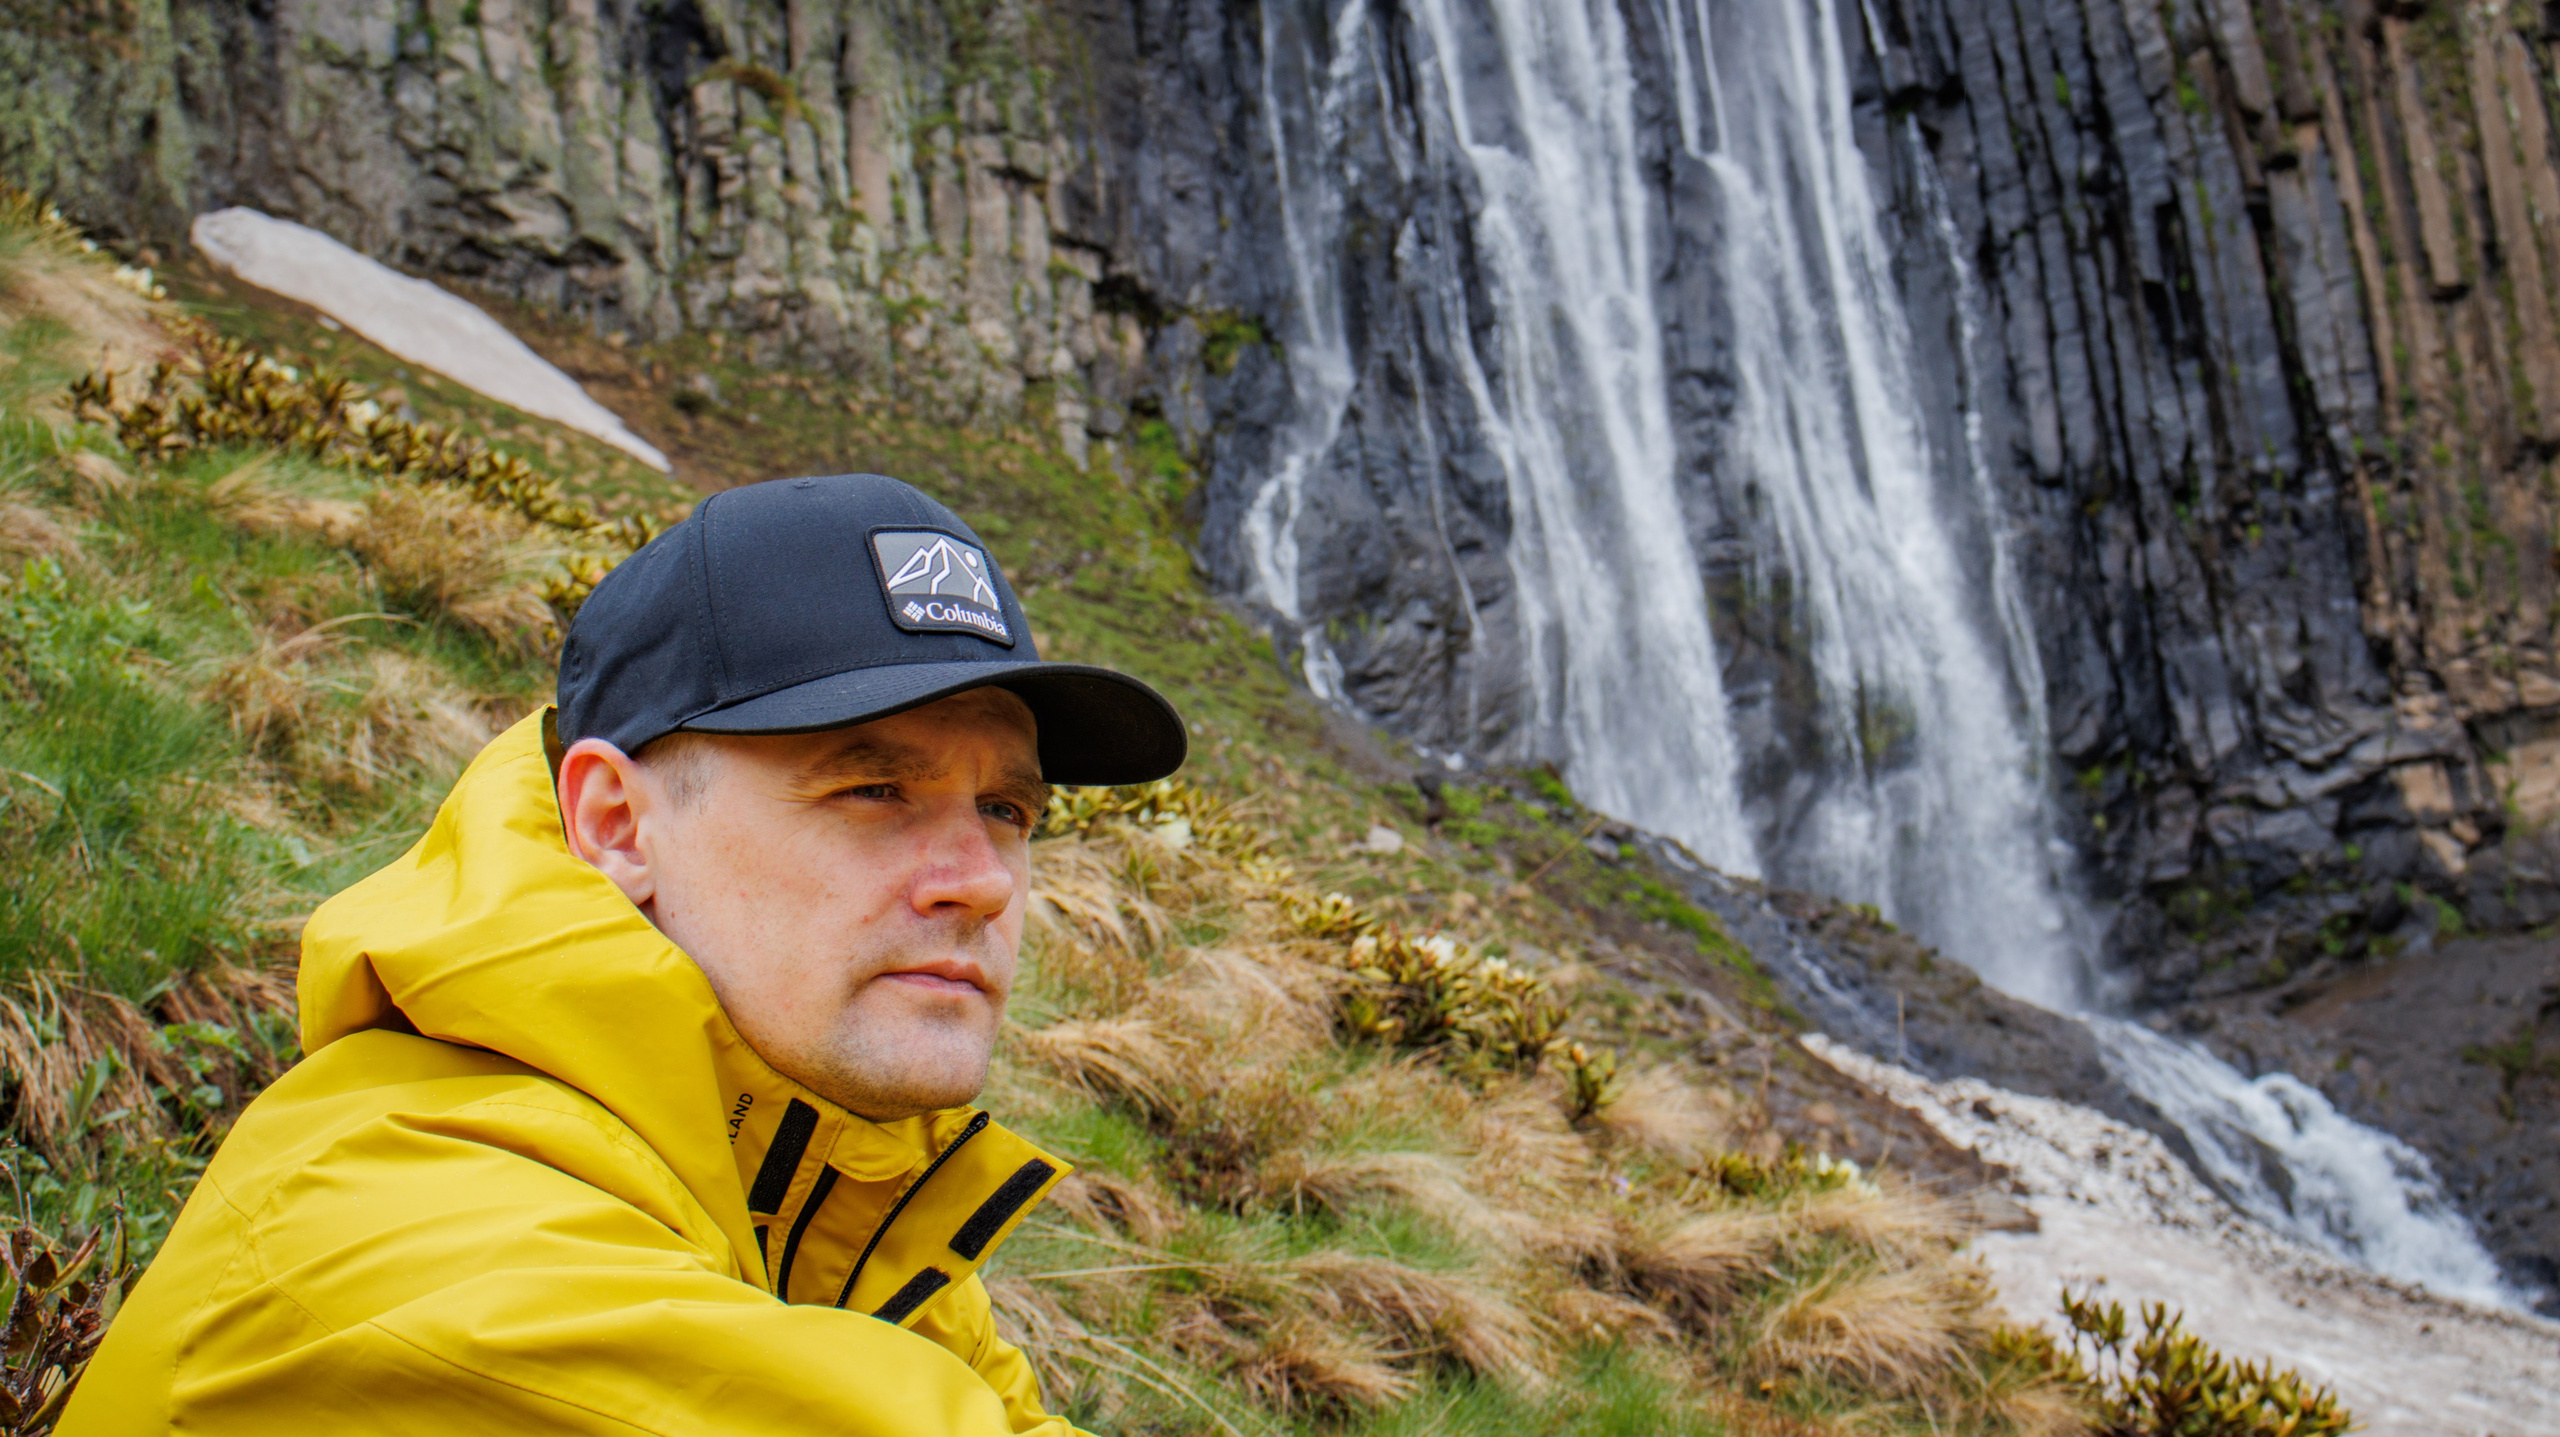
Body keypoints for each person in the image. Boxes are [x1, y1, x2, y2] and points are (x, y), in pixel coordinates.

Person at [61, 474, 1186, 1433]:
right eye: (873, 788)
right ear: (613, 823)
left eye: (1006, 809)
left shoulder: (832, 1203)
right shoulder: (431, 1245)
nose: (981, 880)